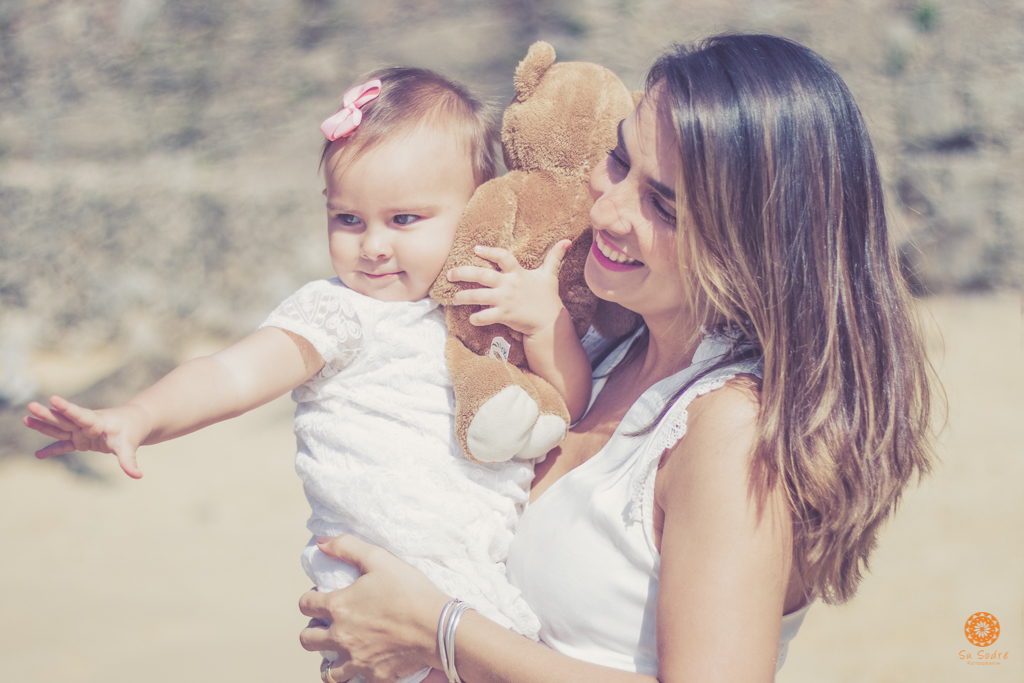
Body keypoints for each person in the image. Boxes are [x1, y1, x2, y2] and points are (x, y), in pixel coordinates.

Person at [296, 34, 936, 683]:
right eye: (618, 157)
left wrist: (438, 631)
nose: (605, 208)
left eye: (663, 205)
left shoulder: (733, 433)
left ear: (757, 242)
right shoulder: (600, 341)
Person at [23, 67, 594, 683]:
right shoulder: (339, 313)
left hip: (479, 588)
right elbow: (230, 374)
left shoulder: (492, 305)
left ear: (480, 206)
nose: (372, 245)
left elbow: (564, 404)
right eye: (348, 219)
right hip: (376, 585)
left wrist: (546, 324)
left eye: (404, 219)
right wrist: (139, 416)